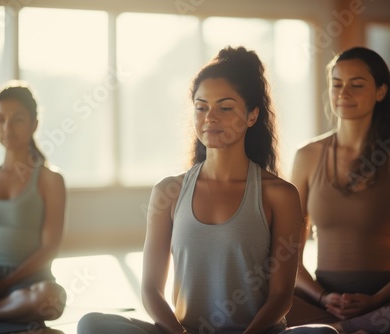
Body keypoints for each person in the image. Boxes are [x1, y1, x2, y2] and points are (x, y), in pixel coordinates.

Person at [77, 46, 336, 334]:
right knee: (92, 324)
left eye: (225, 108)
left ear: (251, 116)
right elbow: (151, 290)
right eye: (201, 107)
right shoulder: (169, 191)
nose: (210, 117)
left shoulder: (279, 194)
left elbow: (280, 297)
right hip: (187, 332)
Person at [285, 46, 390, 333]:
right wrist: (323, 296)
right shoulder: (307, 156)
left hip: (384, 300)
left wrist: (375, 300)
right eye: (337, 84)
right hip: (322, 300)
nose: (343, 93)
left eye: (357, 84)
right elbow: (287, 255)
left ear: (380, 92)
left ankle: (338, 329)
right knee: (257, 300)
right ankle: (351, 327)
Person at [0, 82, 66, 324]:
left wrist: (5, 284)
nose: (7, 127)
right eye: (0, 119)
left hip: (28, 283)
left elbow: (51, 247)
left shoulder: (51, 180)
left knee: (51, 298)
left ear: (34, 124)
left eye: (17, 119)